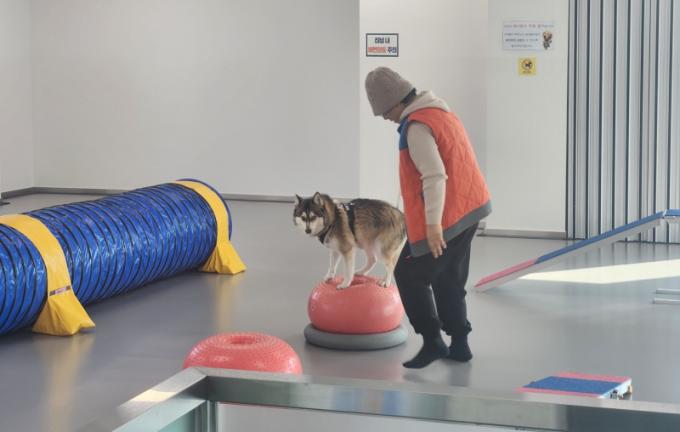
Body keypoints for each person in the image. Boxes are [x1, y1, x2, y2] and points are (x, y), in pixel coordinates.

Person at [365, 67, 491, 369]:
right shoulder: (439, 111)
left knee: (409, 274)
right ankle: (459, 344)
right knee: (449, 277)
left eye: (384, 112)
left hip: (448, 217)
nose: (385, 118)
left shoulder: (417, 127)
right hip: (470, 207)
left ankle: (433, 340)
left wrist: (433, 227)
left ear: (396, 101)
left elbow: (434, 176)